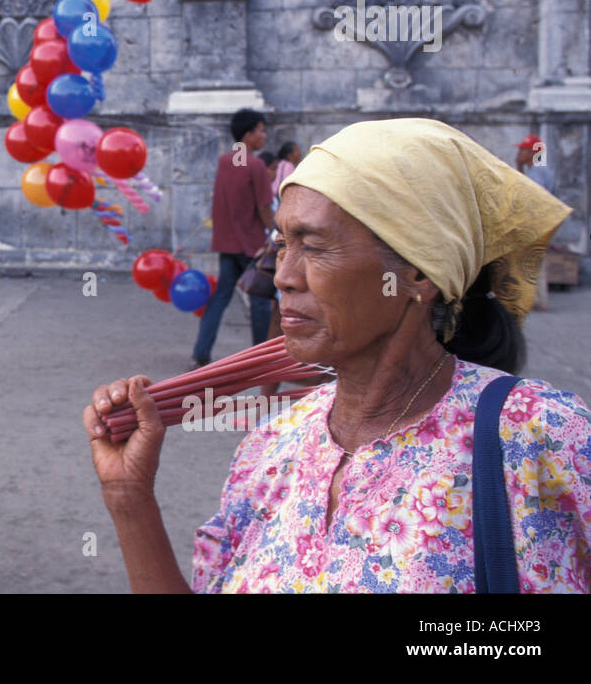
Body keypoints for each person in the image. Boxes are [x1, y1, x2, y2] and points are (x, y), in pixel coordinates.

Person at [85, 118, 590, 593]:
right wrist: (130, 499)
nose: (283, 275)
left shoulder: (542, 438)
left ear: (418, 273)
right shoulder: (271, 447)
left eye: (315, 246)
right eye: (283, 243)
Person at [190, 108, 275, 368]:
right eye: (261, 130)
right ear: (248, 135)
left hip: (227, 242)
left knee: (221, 298)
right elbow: (263, 207)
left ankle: (201, 351)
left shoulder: (226, 161)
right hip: (250, 244)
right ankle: (260, 357)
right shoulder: (256, 165)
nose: (264, 135)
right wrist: (274, 234)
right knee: (260, 301)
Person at [515, 134, 556, 312]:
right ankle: (537, 298)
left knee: (534, 257)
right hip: (541, 220)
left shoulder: (537, 171)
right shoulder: (536, 169)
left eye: (523, 150)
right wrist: (519, 166)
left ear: (532, 152)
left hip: (538, 220)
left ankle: (539, 300)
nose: (519, 153)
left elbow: (532, 195)